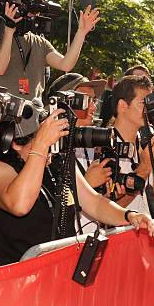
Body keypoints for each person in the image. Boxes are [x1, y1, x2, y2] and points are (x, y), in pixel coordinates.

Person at [0, 102, 154, 266]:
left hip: (58, 272)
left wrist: (129, 215)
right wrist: (41, 148)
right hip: (16, 279)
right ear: (16, 144)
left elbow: (94, 203)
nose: (52, 147)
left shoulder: (58, 162)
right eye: (46, 140)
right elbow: (19, 204)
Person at [0, 0, 100, 100]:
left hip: (30, 117)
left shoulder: (40, 42)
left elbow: (65, 65)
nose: (34, 12)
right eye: (29, 6)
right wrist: (9, 30)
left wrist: (81, 32)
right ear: (14, 6)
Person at [46, 72, 108, 233]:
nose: (94, 106)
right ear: (65, 102)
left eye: (94, 100)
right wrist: (87, 184)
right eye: (87, 100)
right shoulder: (47, 146)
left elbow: (97, 204)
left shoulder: (88, 143)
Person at [108, 75, 154, 217]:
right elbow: (105, 210)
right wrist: (143, 170)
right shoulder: (103, 147)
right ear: (123, 105)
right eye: (144, 103)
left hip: (142, 232)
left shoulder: (146, 145)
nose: (150, 110)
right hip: (118, 234)